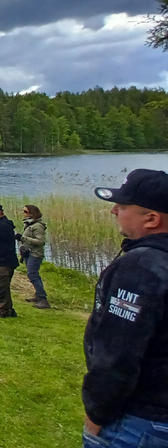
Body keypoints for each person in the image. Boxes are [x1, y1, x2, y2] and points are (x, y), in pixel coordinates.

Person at [82, 169, 168, 447]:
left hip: (139, 419)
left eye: (122, 206)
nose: (114, 211)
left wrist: (96, 413)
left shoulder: (141, 267)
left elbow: (117, 353)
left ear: (152, 219)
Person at [17, 204, 50, 309]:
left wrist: (22, 238)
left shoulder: (38, 226)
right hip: (28, 253)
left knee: (32, 275)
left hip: (35, 254)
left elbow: (40, 241)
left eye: (26, 212)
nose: (24, 213)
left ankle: (43, 298)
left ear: (32, 213)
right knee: (33, 275)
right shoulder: (30, 224)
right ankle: (38, 295)